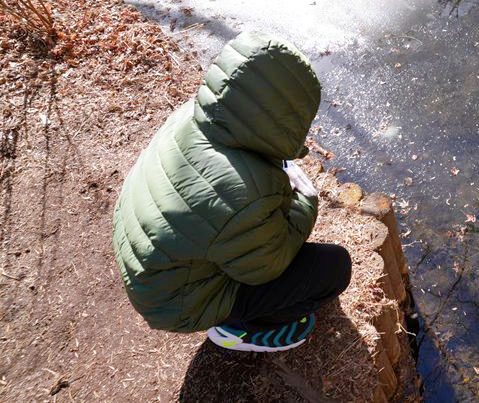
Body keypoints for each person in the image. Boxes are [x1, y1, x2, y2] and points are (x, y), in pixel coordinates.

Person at [112, 31, 351, 352]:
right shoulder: (242, 192)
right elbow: (269, 264)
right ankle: (241, 330)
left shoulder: (192, 115)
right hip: (176, 302)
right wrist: (305, 200)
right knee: (333, 268)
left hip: (151, 268)